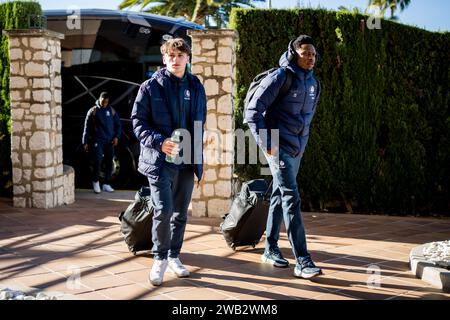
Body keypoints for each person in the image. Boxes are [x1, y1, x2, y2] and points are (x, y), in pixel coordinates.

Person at [244, 35, 322, 279]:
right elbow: (252, 112)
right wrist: (268, 144)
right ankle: (303, 260)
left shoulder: (314, 84)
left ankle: (270, 248)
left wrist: (301, 145)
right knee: (292, 196)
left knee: (279, 193)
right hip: (277, 147)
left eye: (313, 54)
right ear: (293, 53)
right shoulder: (280, 77)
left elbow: (307, 120)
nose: (310, 57)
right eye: (305, 52)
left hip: (296, 148)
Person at [131, 38, 206, 286]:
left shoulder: (196, 87)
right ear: (164, 59)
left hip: (186, 160)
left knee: (180, 213)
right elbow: (138, 122)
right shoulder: (150, 87)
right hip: (160, 160)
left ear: (188, 58)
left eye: (180, 55)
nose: (175, 59)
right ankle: (159, 258)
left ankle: (174, 255)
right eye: (171, 56)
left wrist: (198, 164)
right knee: (163, 210)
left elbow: (199, 126)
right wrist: (158, 141)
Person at [82, 92, 122, 194]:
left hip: (109, 141)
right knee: (98, 160)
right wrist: (85, 142)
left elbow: (118, 124)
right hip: (97, 140)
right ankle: (96, 182)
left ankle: (106, 184)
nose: (104, 103)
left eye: (106, 102)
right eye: (103, 101)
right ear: (100, 99)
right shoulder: (93, 111)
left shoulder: (111, 110)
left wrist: (117, 136)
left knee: (109, 161)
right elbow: (86, 128)